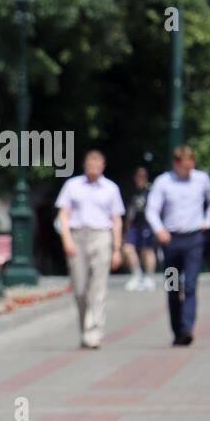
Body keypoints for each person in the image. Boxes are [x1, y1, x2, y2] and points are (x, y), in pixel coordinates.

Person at [147, 145, 210, 346]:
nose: (188, 170)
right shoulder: (164, 182)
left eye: (191, 166)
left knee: (190, 286)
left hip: (193, 239)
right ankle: (177, 330)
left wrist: (209, 220)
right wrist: (159, 229)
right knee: (172, 286)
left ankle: (187, 328)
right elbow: (151, 209)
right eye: (184, 167)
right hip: (171, 240)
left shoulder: (201, 179)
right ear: (176, 164)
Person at [55, 150, 124, 349]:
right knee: (80, 288)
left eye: (97, 165)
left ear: (103, 166)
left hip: (101, 235)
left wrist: (116, 248)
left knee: (99, 287)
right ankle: (85, 327)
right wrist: (66, 239)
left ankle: (93, 331)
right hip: (78, 236)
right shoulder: (72, 185)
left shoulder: (111, 188)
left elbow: (116, 220)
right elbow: (63, 215)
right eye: (90, 165)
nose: (93, 168)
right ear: (85, 165)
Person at [123, 165, 157, 291]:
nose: (141, 179)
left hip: (147, 223)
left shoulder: (151, 191)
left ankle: (149, 277)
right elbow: (128, 211)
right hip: (134, 224)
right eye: (139, 176)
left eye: (143, 177)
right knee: (128, 249)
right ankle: (136, 275)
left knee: (147, 250)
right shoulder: (131, 191)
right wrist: (125, 228)